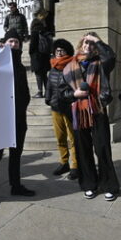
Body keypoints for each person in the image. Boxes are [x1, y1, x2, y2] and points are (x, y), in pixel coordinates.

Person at [60, 32, 120, 201]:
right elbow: (62, 92)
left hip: (98, 111)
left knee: (102, 149)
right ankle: (89, 185)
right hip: (78, 112)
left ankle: (109, 185)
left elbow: (110, 55)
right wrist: (74, 94)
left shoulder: (102, 63)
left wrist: (96, 39)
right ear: (80, 45)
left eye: (92, 43)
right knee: (83, 150)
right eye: (85, 42)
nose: (88, 45)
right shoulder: (69, 66)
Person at [0, 29, 35, 209]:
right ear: (4, 42)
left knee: (16, 155)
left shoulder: (19, 65)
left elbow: (24, 92)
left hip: (18, 119)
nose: (13, 44)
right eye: (10, 41)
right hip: (0, 120)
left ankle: (16, 185)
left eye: (16, 42)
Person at [45, 39, 79, 180]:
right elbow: (49, 86)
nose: (59, 52)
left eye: (62, 50)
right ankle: (64, 162)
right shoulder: (53, 68)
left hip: (69, 107)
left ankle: (75, 166)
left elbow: (76, 87)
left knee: (73, 138)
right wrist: (48, 98)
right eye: (57, 50)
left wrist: (72, 99)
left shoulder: (73, 67)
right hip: (55, 107)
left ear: (68, 52)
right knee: (60, 137)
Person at [28, 13, 52, 98]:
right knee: (45, 75)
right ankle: (47, 92)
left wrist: (30, 53)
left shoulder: (34, 33)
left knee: (38, 75)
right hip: (45, 57)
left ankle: (39, 92)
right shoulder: (45, 32)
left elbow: (32, 46)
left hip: (36, 57)